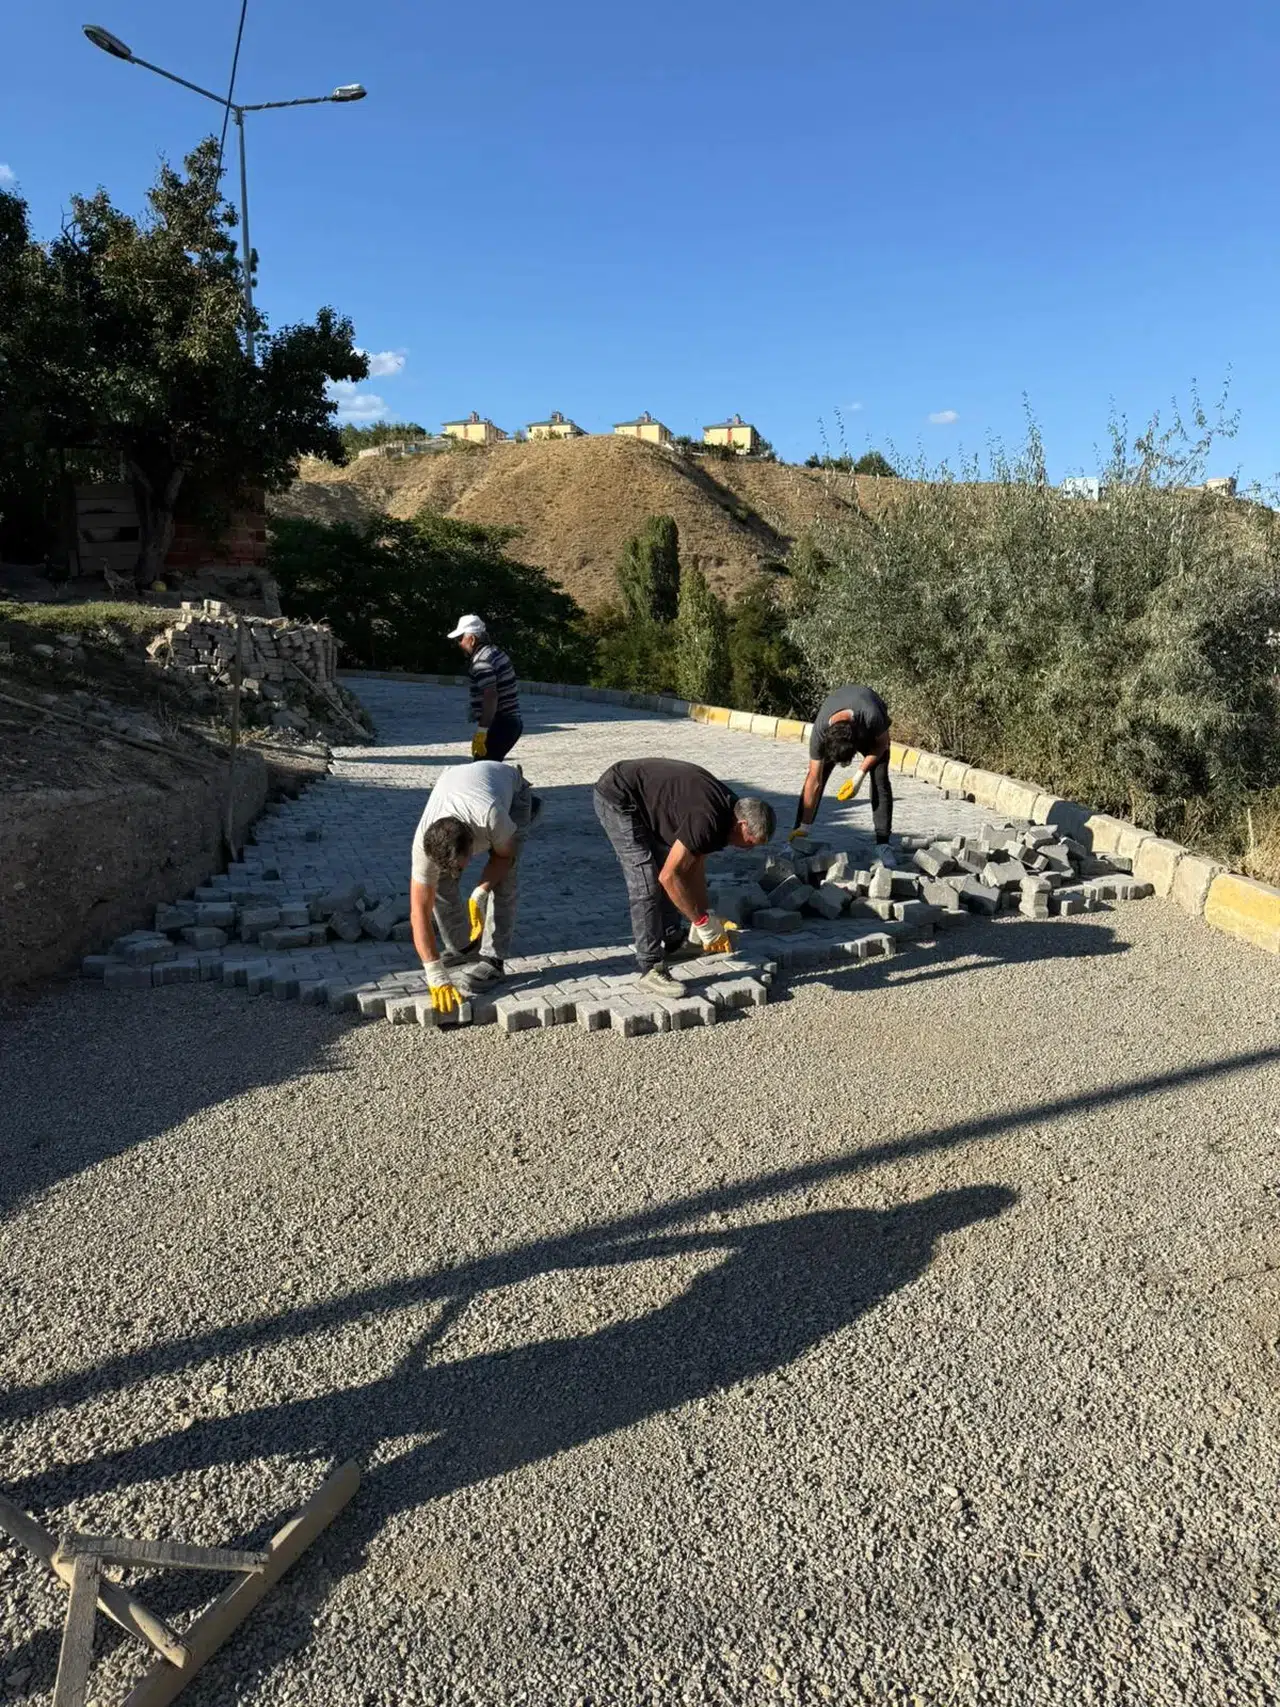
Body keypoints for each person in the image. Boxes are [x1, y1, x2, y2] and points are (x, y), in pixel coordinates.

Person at [593, 758, 776, 994]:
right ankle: (650, 968)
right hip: (619, 796)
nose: (749, 849)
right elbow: (670, 877)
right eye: (751, 842)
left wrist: (705, 915)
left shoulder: (728, 815)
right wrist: (701, 923)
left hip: (645, 800)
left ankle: (673, 941)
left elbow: (695, 865)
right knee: (647, 882)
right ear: (741, 824)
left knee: (671, 870)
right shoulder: (708, 820)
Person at [409, 760, 538, 1015]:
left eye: (462, 863)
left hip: (512, 793)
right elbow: (418, 913)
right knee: (441, 881)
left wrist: (481, 889)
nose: (460, 871)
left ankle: (493, 960)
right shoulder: (423, 845)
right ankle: (463, 948)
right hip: (462, 783)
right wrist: (434, 974)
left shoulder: (490, 817)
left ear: (473, 844)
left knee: (505, 880)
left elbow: (504, 858)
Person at [791, 684, 895, 860]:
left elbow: (882, 744)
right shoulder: (820, 733)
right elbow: (813, 780)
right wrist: (803, 826)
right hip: (840, 732)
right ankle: (799, 837)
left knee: (880, 779)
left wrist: (858, 775)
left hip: (872, 735)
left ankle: (883, 844)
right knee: (817, 778)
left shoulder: (872, 716)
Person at [447, 614, 523, 761]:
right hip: (511, 723)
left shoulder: (482, 662)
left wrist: (482, 731)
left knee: (482, 768)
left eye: (460, 638)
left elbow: (491, 696)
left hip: (501, 724)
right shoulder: (495, 652)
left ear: (472, 639)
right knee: (489, 766)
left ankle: (515, 781)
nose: (459, 643)